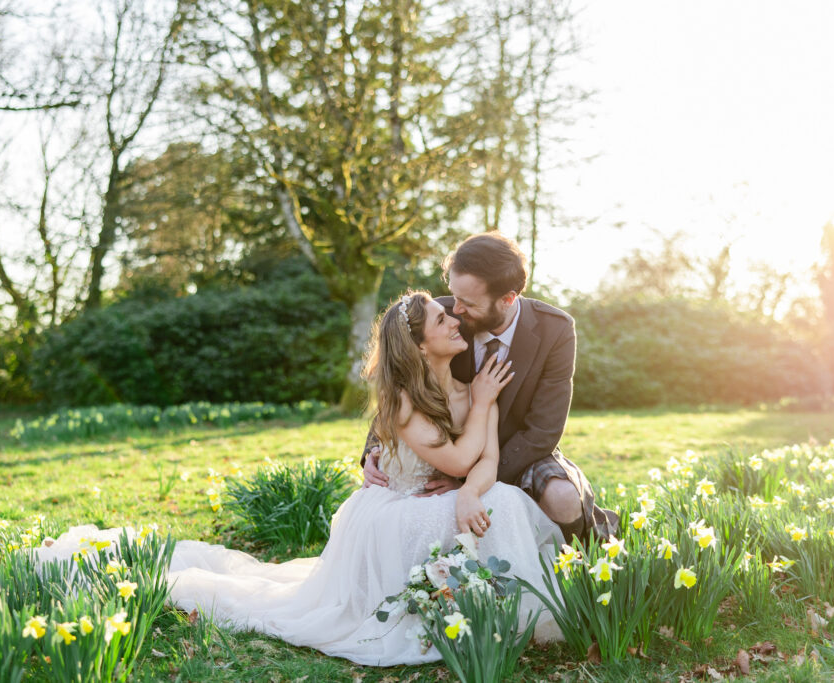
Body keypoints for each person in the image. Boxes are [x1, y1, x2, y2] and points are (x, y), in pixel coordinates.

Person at [33, 291, 562, 667]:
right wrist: (482, 416)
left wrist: (471, 489)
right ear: (421, 347)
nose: (454, 321)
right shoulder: (406, 401)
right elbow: (460, 458)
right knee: (500, 506)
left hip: (444, 496)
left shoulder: (473, 387)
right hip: (393, 512)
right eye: (442, 319)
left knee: (503, 499)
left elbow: (486, 459)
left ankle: (508, 612)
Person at [363, 232, 618, 543]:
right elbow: (400, 379)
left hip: (519, 452)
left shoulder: (555, 330)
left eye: (468, 303)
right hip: (445, 448)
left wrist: (469, 480)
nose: (456, 310)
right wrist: (376, 452)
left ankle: (579, 560)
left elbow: (543, 431)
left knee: (563, 497)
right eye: (454, 295)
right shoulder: (440, 319)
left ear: (507, 299)